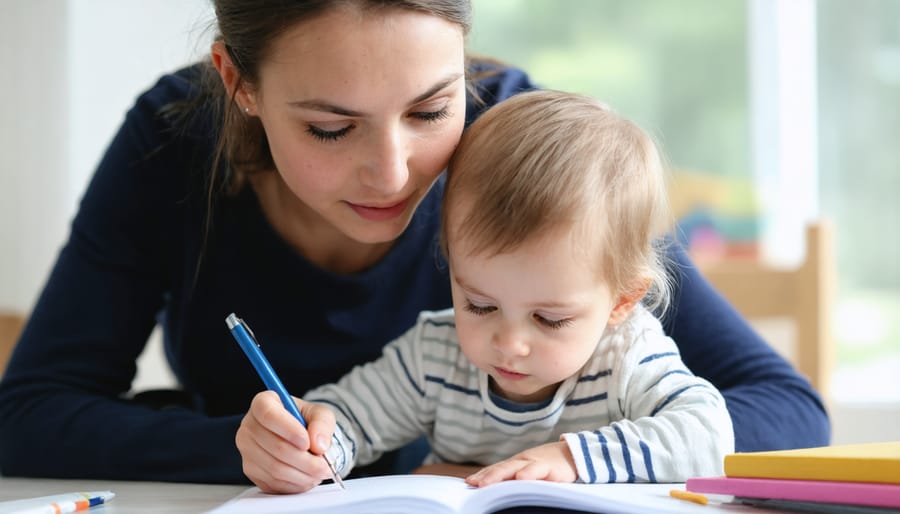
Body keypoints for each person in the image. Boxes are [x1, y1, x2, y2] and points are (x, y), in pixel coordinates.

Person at [0, 0, 827, 484]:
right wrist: (257, 447)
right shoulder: (172, 142)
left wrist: (562, 457)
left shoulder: (525, 152)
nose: (394, 173)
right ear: (237, 82)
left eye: (432, 110)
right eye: (330, 128)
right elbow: (28, 415)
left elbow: (786, 409)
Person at [236, 90, 736, 494]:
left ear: (623, 301)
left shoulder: (627, 354)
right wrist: (308, 447)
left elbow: (710, 435)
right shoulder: (436, 353)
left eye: (550, 319)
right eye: (479, 305)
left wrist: (568, 459)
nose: (509, 343)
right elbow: (349, 419)